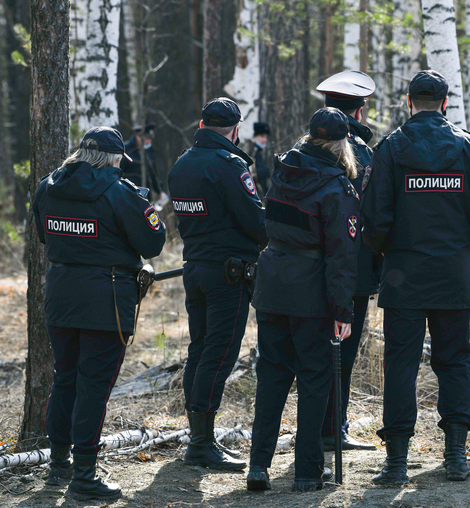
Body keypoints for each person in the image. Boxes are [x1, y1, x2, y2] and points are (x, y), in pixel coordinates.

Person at [361, 70, 470, 484]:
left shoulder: (389, 149)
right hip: (455, 275)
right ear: (445, 103)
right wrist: (467, 247)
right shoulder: (468, 148)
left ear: (409, 102)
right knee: (455, 362)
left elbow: (373, 217)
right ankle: (456, 456)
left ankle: (397, 462)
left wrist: (386, 251)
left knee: (401, 366)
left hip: (403, 275)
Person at [32, 126, 166, 501]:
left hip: (60, 296)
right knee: (94, 386)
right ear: (115, 158)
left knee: (65, 378)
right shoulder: (119, 192)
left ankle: (59, 462)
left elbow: (45, 234)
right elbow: (153, 242)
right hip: (106, 301)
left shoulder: (48, 186)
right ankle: (84, 475)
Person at [247, 108, 360, 492]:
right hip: (311, 294)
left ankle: (258, 466)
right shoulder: (337, 187)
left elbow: (268, 225)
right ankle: (308, 471)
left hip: (273, 286)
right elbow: (342, 256)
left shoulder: (282, 173)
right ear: (342, 143)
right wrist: (343, 310)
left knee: (272, 378)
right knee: (315, 380)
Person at [168, 98, 267, 471]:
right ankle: (200, 443)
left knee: (201, 349)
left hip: (194, 267)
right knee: (220, 353)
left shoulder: (182, 163)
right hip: (227, 272)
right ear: (236, 129)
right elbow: (256, 224)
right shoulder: (229, 166)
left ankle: (198, 436)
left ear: (201, 123)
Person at [315, 70, 380, 452]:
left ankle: (321, 426)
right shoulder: (364, 154)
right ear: (359, 112)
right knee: (344, 351)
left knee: (315, 351)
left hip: (308, 267)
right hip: (352, 269)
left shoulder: (304, 148)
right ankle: (331, 428)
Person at [120, 123, 167, 203]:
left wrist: (160, 192)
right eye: (146, 138)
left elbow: (153, 174)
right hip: (128, 196)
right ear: (137, 136)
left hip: (146, 197)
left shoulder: (148, 152)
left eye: (150, 138)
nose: (148, 141)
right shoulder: (125, 150)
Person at [249, 122, 272, 197]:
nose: (265, 139)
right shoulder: (251, 150)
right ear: (255, 136)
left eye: (266, 137)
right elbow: (252, 172)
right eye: (262, 136)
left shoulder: (260, 151)